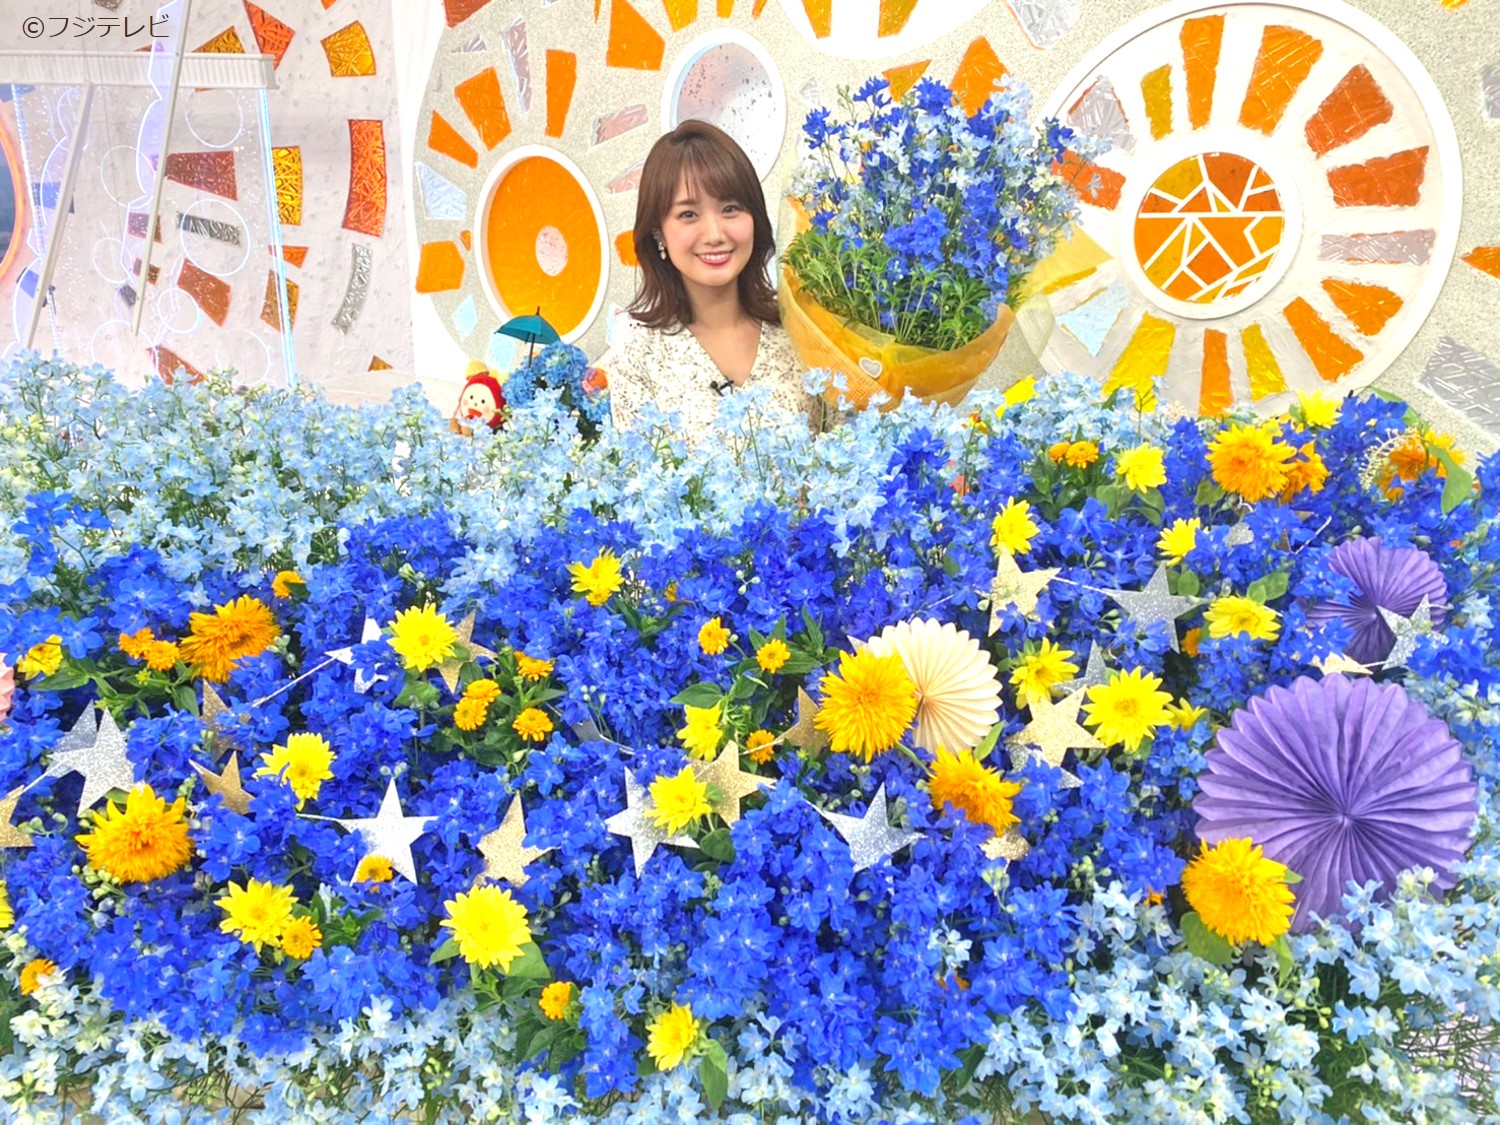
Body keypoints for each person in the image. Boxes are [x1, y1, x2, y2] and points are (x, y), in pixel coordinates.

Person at [600, 120, 807, 432]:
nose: (714, 234)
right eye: (688, 214)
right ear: (658, 232)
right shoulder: (638, 354)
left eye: (730, 208)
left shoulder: (802, 327)